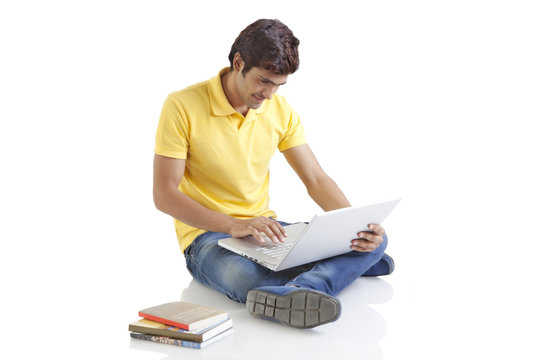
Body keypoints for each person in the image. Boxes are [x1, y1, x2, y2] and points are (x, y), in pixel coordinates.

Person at [153, 19, 394, 329]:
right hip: (207, 237)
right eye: (263, 81)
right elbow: (165, 195)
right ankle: (339, 270)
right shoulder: (181, 105)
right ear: (238, 62)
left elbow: (316, 179)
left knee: (377, 239)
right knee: (243, 276)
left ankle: (305, 286)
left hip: (267, 230)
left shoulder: (280, 110)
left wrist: (357, 226)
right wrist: (233, 225)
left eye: (278, 85)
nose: (269, 94)